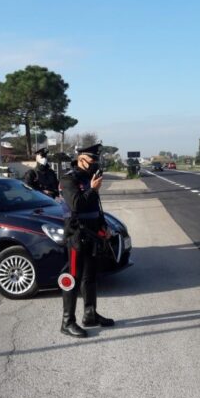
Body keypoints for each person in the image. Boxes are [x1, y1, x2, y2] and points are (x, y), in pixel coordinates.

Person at [58, 143, 114, 338]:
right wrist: (93, 189)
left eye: (97, 160)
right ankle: (67, 322)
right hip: (76, 236)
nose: (95, 163)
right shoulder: (68, 179)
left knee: (89, 277)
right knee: (73, 278)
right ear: (80, 158)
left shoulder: (89, 178)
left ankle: (90, 315)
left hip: (92, 235)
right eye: (92, 159)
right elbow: (77, 204)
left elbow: (95, 208)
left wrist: (104, 226)